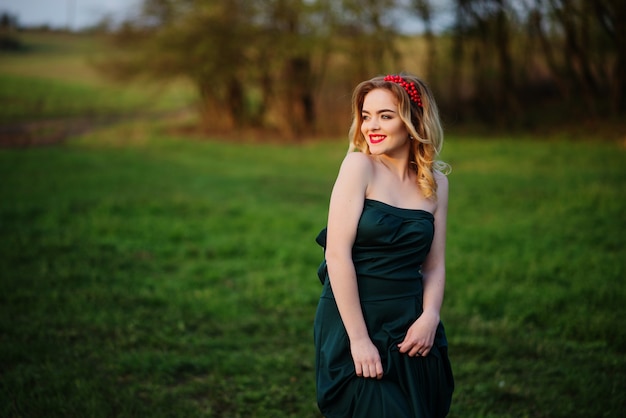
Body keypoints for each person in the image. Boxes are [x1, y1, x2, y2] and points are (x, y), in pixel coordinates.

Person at [314, 73, 454, 417]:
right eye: (365, 115)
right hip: (356, 319)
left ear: (414, 121)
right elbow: (337, 254)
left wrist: (430, 317)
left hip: (411, 323)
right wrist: (359, 341)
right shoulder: (358, 166)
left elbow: (433, 265)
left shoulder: (436, 182)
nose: (370, 126)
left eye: (385, 116)